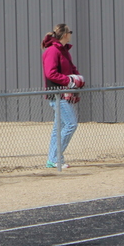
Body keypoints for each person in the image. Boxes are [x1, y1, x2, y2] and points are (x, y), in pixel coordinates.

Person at [42, 24, 83, 169]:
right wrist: (69, 81)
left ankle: (52, 159)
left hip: (65, 94)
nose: (71, 34)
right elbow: (50, 73)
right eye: (69, 32)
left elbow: (71, 68)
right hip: (57, 94)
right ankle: (55, 157)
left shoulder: (64, 51)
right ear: (65, 34)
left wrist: (77, 78)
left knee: (58, 127)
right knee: (71, 124)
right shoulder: (52, 51)